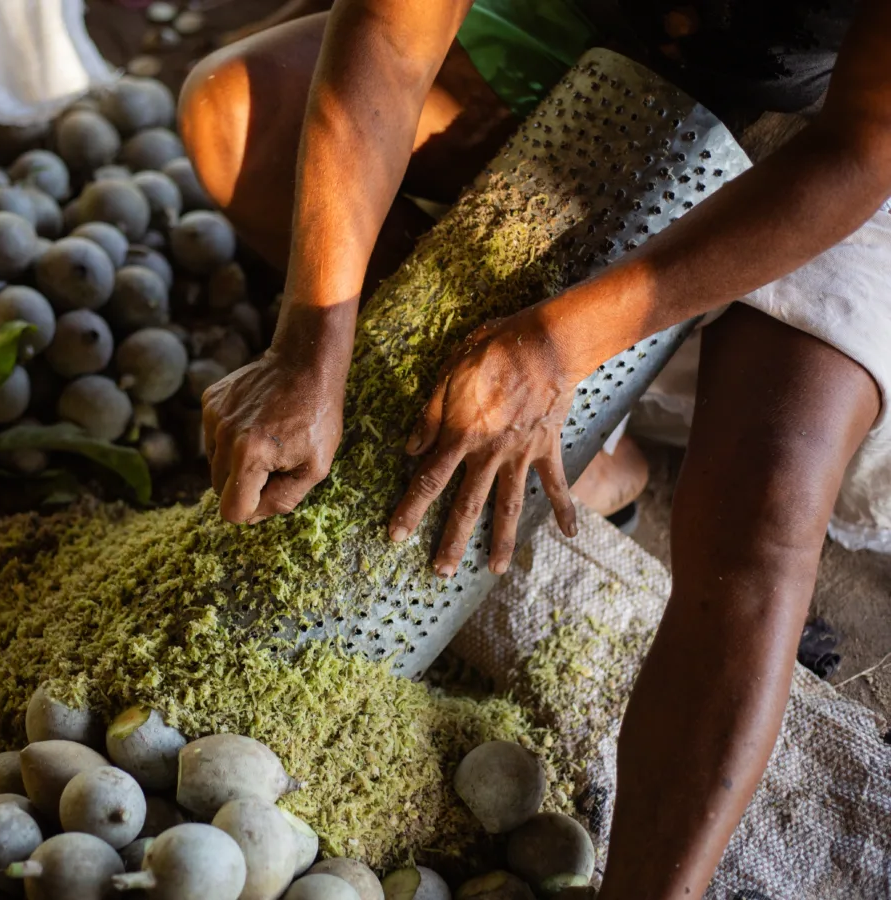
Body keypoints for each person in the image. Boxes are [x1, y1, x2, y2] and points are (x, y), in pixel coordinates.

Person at [179, 1, 891, 898]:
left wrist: (555, 348)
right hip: (598, 25)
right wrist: (310, 343)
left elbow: (858, 154)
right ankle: (598, 444)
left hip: (836, 134)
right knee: (237, 112)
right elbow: (393, 39)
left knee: (763, 519)